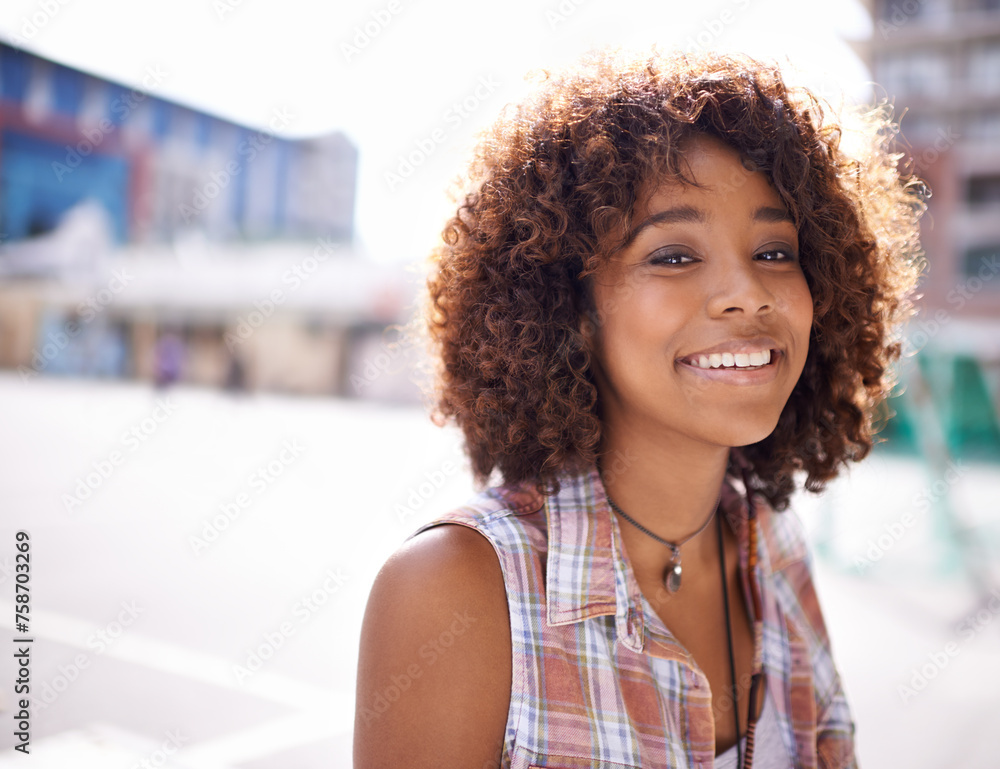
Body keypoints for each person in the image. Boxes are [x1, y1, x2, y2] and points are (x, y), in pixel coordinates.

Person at [354, 49, 924, 769]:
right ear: (573, 306)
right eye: (675, 256)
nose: (746, 292)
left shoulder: (775, 551)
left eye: (776, 250)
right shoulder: (454, 590)